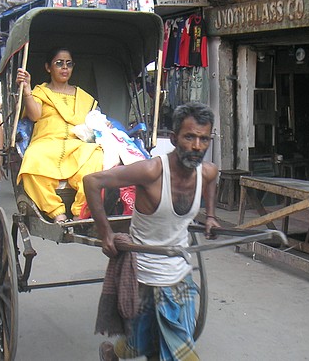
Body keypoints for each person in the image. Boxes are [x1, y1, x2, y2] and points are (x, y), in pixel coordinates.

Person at [84, 102, 220, 361]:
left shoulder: (206, 171)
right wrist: (106, 234)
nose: (196, 146)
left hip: (180, 276)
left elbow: (213, 177)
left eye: (204, 139)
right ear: (173, 138)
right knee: (138, 346)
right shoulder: (151, 171)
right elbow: (92, 181)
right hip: (144, 278)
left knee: (178, 353)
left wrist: (211, 216)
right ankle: (112, 353)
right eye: (189, 137)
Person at [16, 48, 104, 223]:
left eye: (68, 64)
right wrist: (26, 90)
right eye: (59, 63)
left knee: (97, 155)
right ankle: (57, 213)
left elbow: (93, 123)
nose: (65, 68)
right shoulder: (40, 92)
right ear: (48, 67)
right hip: (46, 144)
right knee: (31, 161)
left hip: (76, 144)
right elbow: (34, 115)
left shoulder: (84, 97)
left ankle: (80, 213)